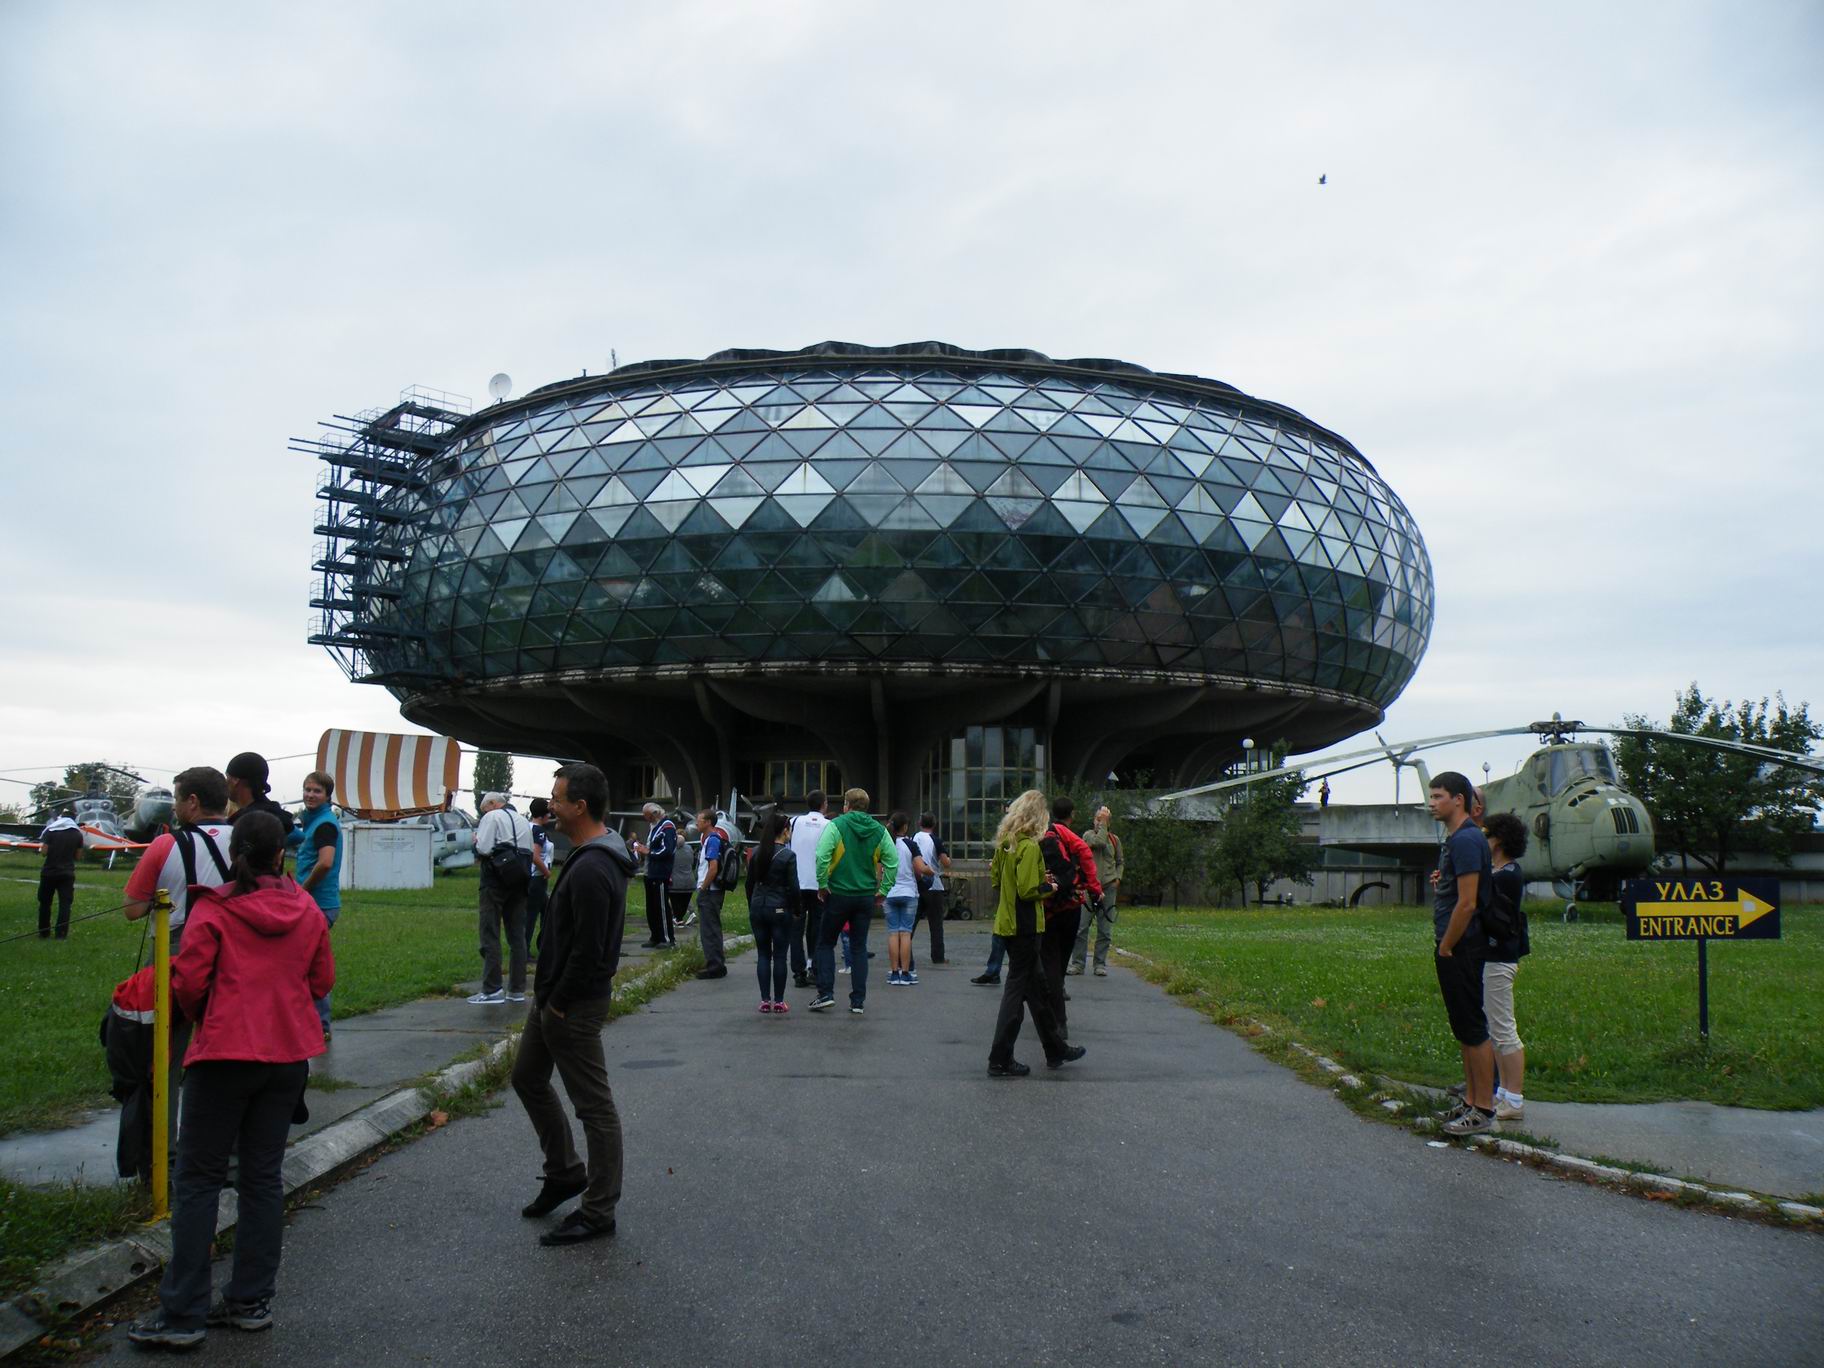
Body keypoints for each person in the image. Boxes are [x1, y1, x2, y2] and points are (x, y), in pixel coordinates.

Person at [126, 812, 334, 1349]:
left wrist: (213, 1014)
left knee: (197, 1180)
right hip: (286, 1058)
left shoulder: (214, 910)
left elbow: (188, 983)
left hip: (223, 1054)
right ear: (281, 855)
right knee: (262, 1179)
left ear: (235, 852)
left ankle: (183, 1314)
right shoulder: (307, 909)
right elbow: (321, 981)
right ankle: (250, 1302)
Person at [511, 763, 636, 1247]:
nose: (550, 806)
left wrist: (559, 1003)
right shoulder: (591, 853)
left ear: (580, 807)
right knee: (527, 1077)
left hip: (572, 1006)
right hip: (553, 999)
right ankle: (564, 1171)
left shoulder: (593, 868)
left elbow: (591, 950)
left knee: (595, 1108)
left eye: (557, 799)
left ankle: (599, 1210)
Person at [986, 790, 1085, 1078]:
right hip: (1026, 925)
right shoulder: (1029, 847)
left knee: (1037, 989)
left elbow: (997, 880)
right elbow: (1028, 891)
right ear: (1037, 816)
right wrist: (1050, 887)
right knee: (1017, 990)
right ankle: (1000, 1057)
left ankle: (1055, 1048)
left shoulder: (1006, 843)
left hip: (1007, 922)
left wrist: (1036, 878)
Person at [1429, 771, 1497, 1136]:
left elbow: (1468, 903)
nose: (1432, 803)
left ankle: (1483, 1109)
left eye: (1438, 796)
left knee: (1473, 1028)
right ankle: (1470, 1101)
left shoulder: (1467, 839)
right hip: (1454, 945)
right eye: (1432, 796)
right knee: (1463, 1027)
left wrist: (1446, 945)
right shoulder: (1457, 839)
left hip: (1462, 946)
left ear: (1459, 799)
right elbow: (1458, 891)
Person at [811, 788, 896, 1015]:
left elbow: (822, 855)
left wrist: (822, 884)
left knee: (826, 943)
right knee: (859, 947)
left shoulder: (836, 825)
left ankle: (825, 994)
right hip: (865, 896)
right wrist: (884, 889)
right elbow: (892, 861)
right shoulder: (879, 830)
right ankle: (857, 1001)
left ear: (847, 805)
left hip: (838, 894)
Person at [1481, 812, 1531, 1123]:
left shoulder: (1508, 874)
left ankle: (1514, 1098)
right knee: (1496, 1030)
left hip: (1499, 959)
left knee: (1504, 1030)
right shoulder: (1497, 871)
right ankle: (1503, 1093)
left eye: (1486, 835)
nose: (1483, 841)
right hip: (1491, 957)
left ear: (1498, 840)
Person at [1039, 797, 1101, 1039]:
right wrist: (1094, 888)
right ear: (1072, 814)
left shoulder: (1041, 833)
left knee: (1049, 961)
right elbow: (1085, 853)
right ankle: (1058, 1004)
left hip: (1048, 906)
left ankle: (1056, 1015)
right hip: (1071, 904)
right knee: (1062, 959)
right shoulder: (1066, 834)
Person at [291, 771, 342, 1042]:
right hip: (316, 904)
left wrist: (303, 890)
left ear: (327, 796)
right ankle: (314, 1023)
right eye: (307, 789)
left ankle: (319, 1025)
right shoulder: (313, 822)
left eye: (317, 791)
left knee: (310, 965)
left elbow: (325, 862)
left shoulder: (324, 825)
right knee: (308, 962)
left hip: (319, 904)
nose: (310, 795)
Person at [471, 792, 533, 1006]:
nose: (484, 814)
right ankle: (517, 989)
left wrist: (475, 842)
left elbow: (484, 848)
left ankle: (492, 989)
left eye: (484, 810)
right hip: (520, 877)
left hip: (495, 879)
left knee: (490, 931)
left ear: (492, 804)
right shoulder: (522, 820)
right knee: (517, 935)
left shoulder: (493, 817)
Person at [745, 812, 797, 1012]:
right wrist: (797, 908)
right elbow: (793, 887)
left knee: (763, 954)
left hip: (758, 906)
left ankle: (765, 1000)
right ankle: (780, 1001)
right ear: (784, 831)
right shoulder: (788, 855)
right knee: (780, 956)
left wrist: (752, 904)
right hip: (780, 907)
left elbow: (749, 884)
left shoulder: (757, 852)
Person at [1070, 805, 1122, 977]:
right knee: (1081, 927)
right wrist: (1103, 826)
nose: (1100, 822)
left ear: (1109, 822)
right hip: (1089, 888)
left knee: (1105, 929)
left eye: (1103, 820)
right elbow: (1098, 842)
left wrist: (1118, 878)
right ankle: (1078, 964)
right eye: (1098, 819)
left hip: (1108, 887)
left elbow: (1120, 861)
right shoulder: (1088, 836)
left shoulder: (1114, 840)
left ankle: (1100, 963)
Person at [787, 791, 830, 988]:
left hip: (797, 882)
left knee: (796, 929)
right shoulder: (829, 825)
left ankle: (798, 972)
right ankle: (814, 966)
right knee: (817, 926)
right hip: (819, 883)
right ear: (824, 804)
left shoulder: (794, 822)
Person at [884, 811, 929, 987]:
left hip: (889, 893)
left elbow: (878, 871)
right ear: (904, 827)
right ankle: (905, 972)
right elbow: (920, 868)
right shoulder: (911, 845)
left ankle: (894, 973)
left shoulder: (884, 844)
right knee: (905, 933)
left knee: (893, 933)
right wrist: (931, 871)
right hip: (909, 893)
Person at [630, 802, 677, 948]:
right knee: (652, 907)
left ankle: (667, 939)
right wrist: (643, 849)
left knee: (661, 906)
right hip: (650, 872)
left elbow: (668, 850)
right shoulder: (654, 827)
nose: (646, 819)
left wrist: (649, 852)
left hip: (660, 873)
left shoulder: (667, 827)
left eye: (648, 816)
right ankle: (655, 936)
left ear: (655, 814)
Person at [692, 809, 731, 980]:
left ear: (708, 822)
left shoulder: (712, 840)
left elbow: (713, 868)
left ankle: (715, 966)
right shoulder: (710, 839)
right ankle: (716, 963)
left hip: (710, 892)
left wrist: (703, 888)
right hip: (712, 891)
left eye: (699, 820)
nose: (696, 823)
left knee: (709, 930)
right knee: (711, 928)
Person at [224, 753, 296, 845]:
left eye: (227, 777)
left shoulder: (242, 823)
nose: (225, 782)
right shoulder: (278, 816)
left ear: (235, 780)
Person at [35, 808, 83, 939]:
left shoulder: (51, 831)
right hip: (67, 873)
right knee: (65, 904)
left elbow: (44, 852)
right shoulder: (77, 834)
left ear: (61, 818)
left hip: (49, 872)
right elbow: (78, 856)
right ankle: (61, 934)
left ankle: (44, 932)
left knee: (45, 903)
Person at [524, 798, 554, 956]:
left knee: (546, 909)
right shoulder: (539, 831)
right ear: (543, 815)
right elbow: (535, 856)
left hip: (528, 876)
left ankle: (544, 943)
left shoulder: (526, 827)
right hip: (537, 877)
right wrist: (546, 872)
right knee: (531, 914)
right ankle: (525, 949)